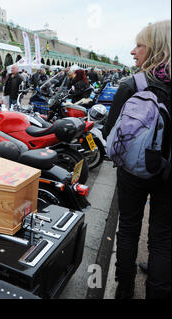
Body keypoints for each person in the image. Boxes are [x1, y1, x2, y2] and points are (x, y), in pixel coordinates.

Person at [103, 19, 171, 299]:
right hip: (168, 173)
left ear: (155, 48)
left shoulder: (133, 84)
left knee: (129, 228)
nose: (133, 51)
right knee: (163, 236)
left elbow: (109, 132)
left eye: (139, 45)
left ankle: (125, 288)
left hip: (132, 171)